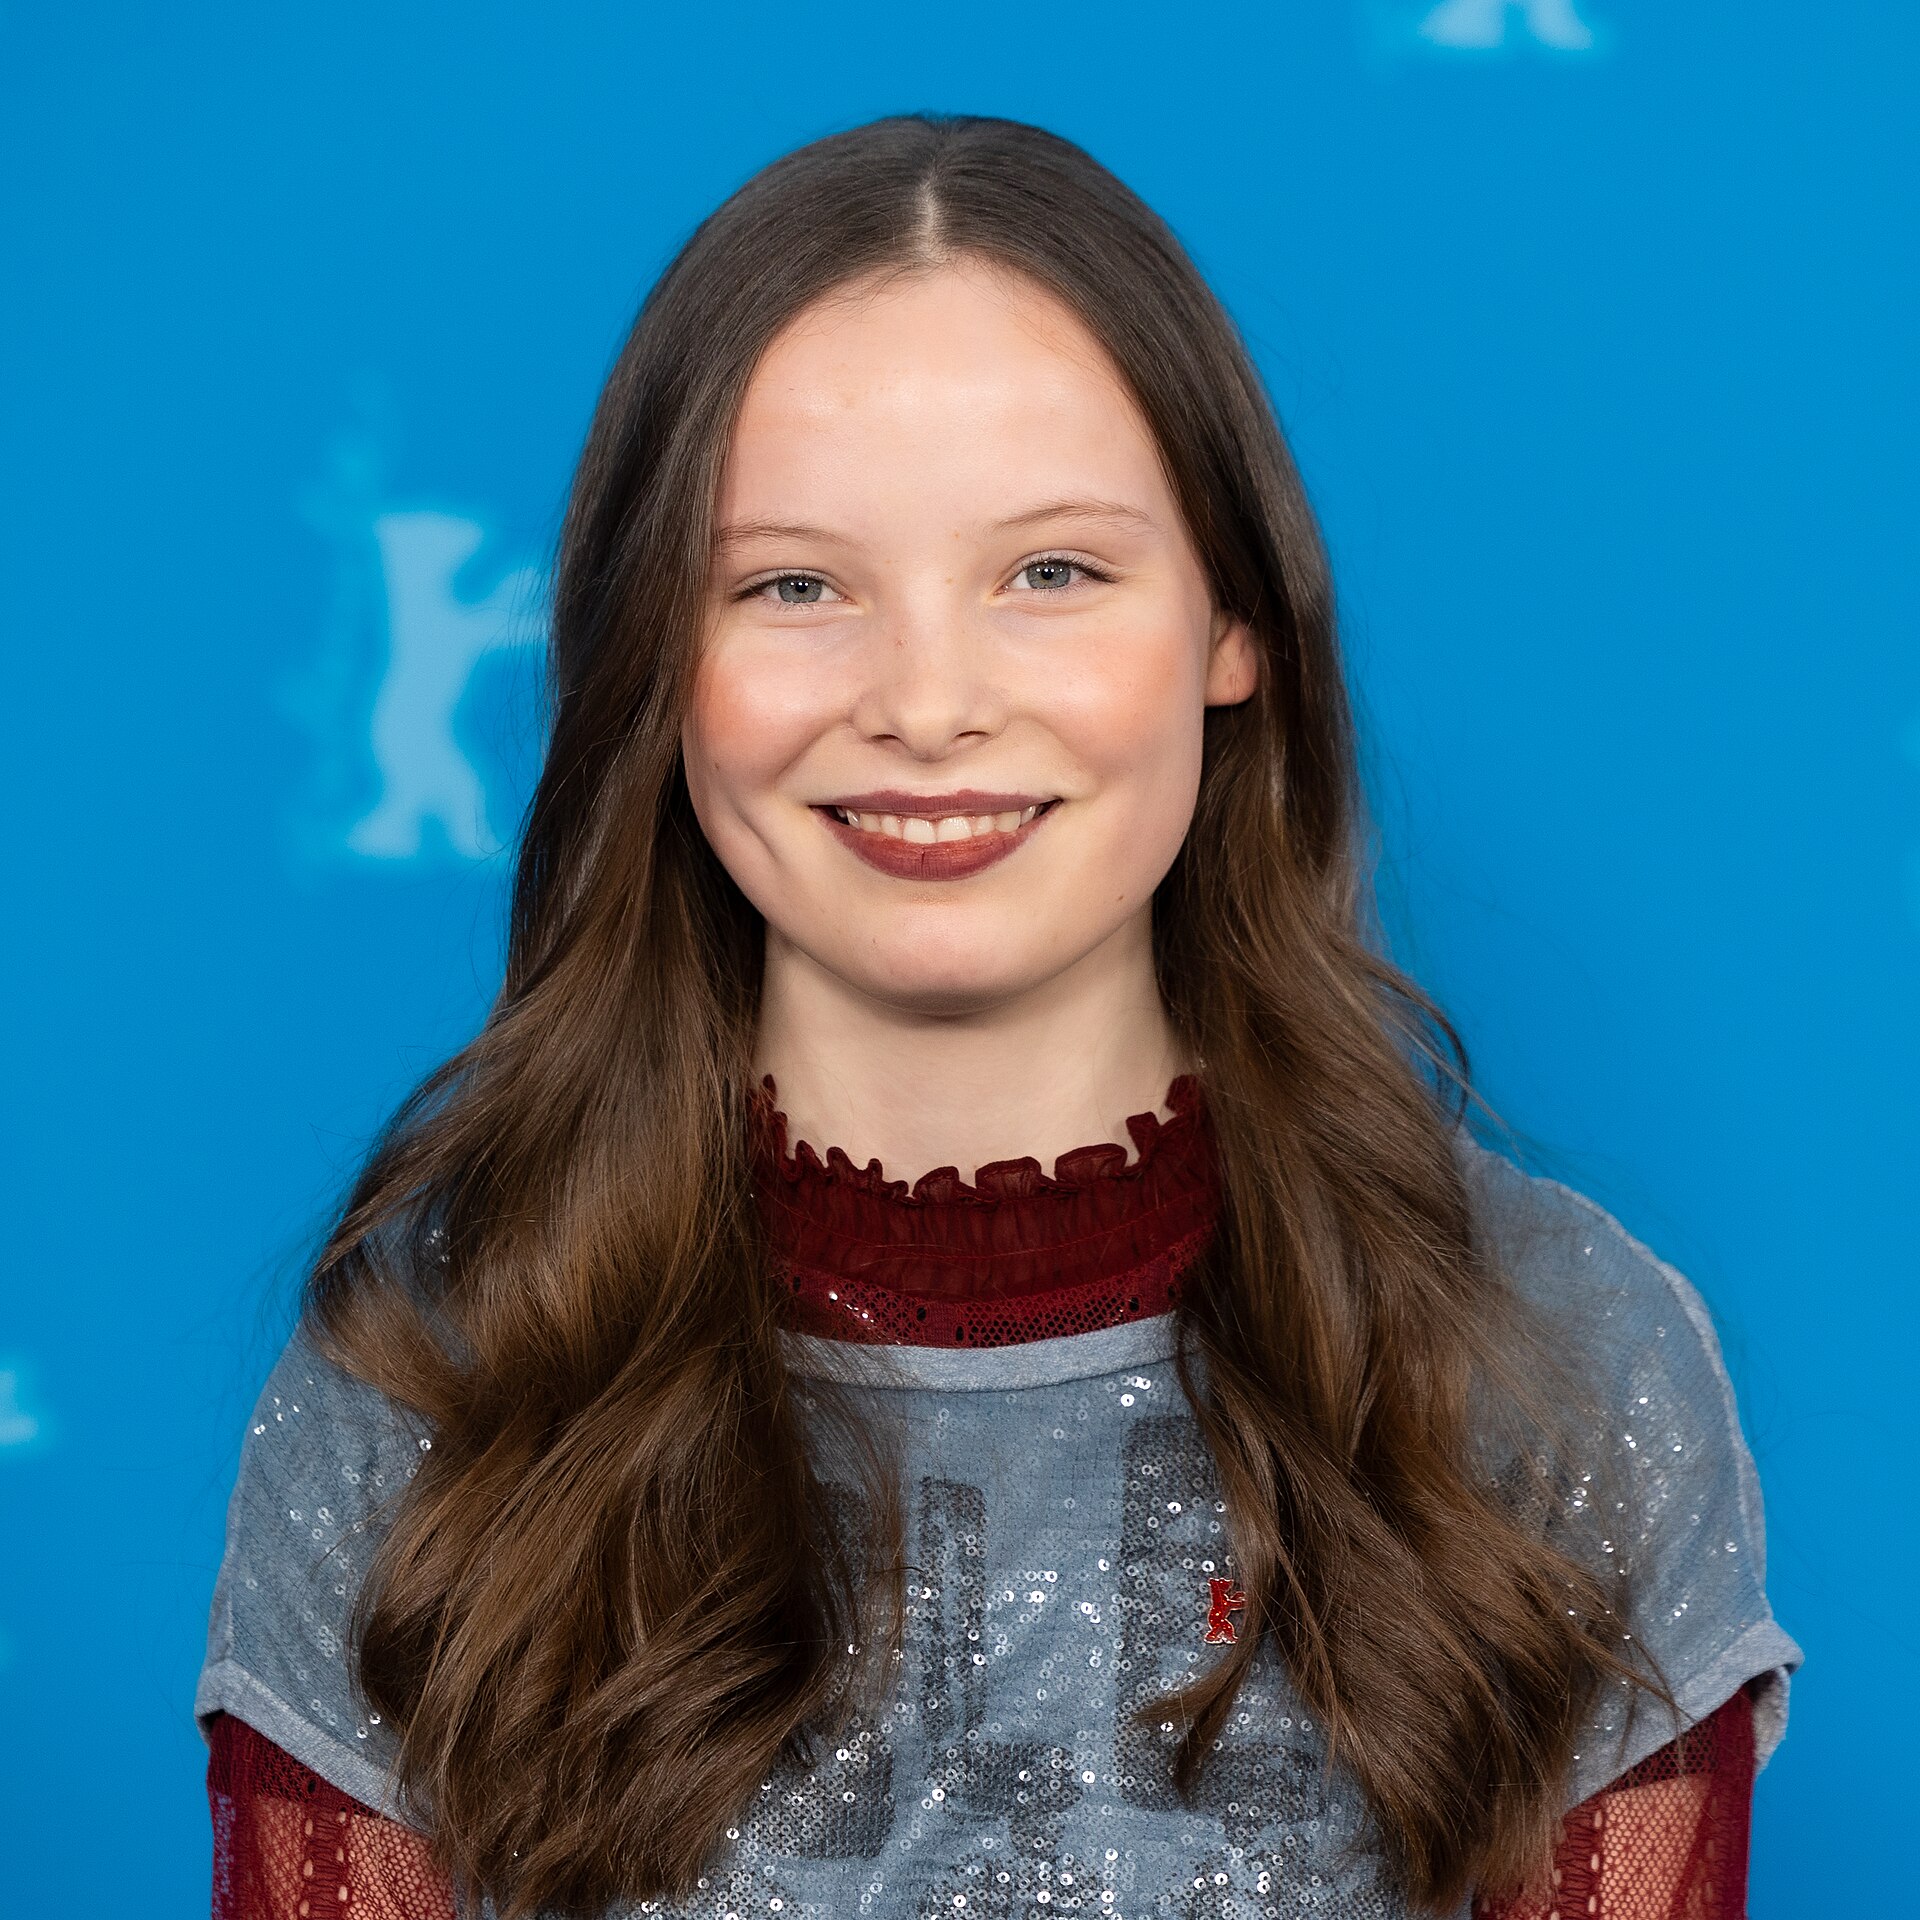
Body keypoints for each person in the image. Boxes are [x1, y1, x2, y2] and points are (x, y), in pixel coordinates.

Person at [196, 114, 1799, 1920]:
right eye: (793, 584)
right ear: (658, 657)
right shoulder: (436, 1378)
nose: (928, 702)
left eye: (1052, 573)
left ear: (1232, 627)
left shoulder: (1555, 1363)